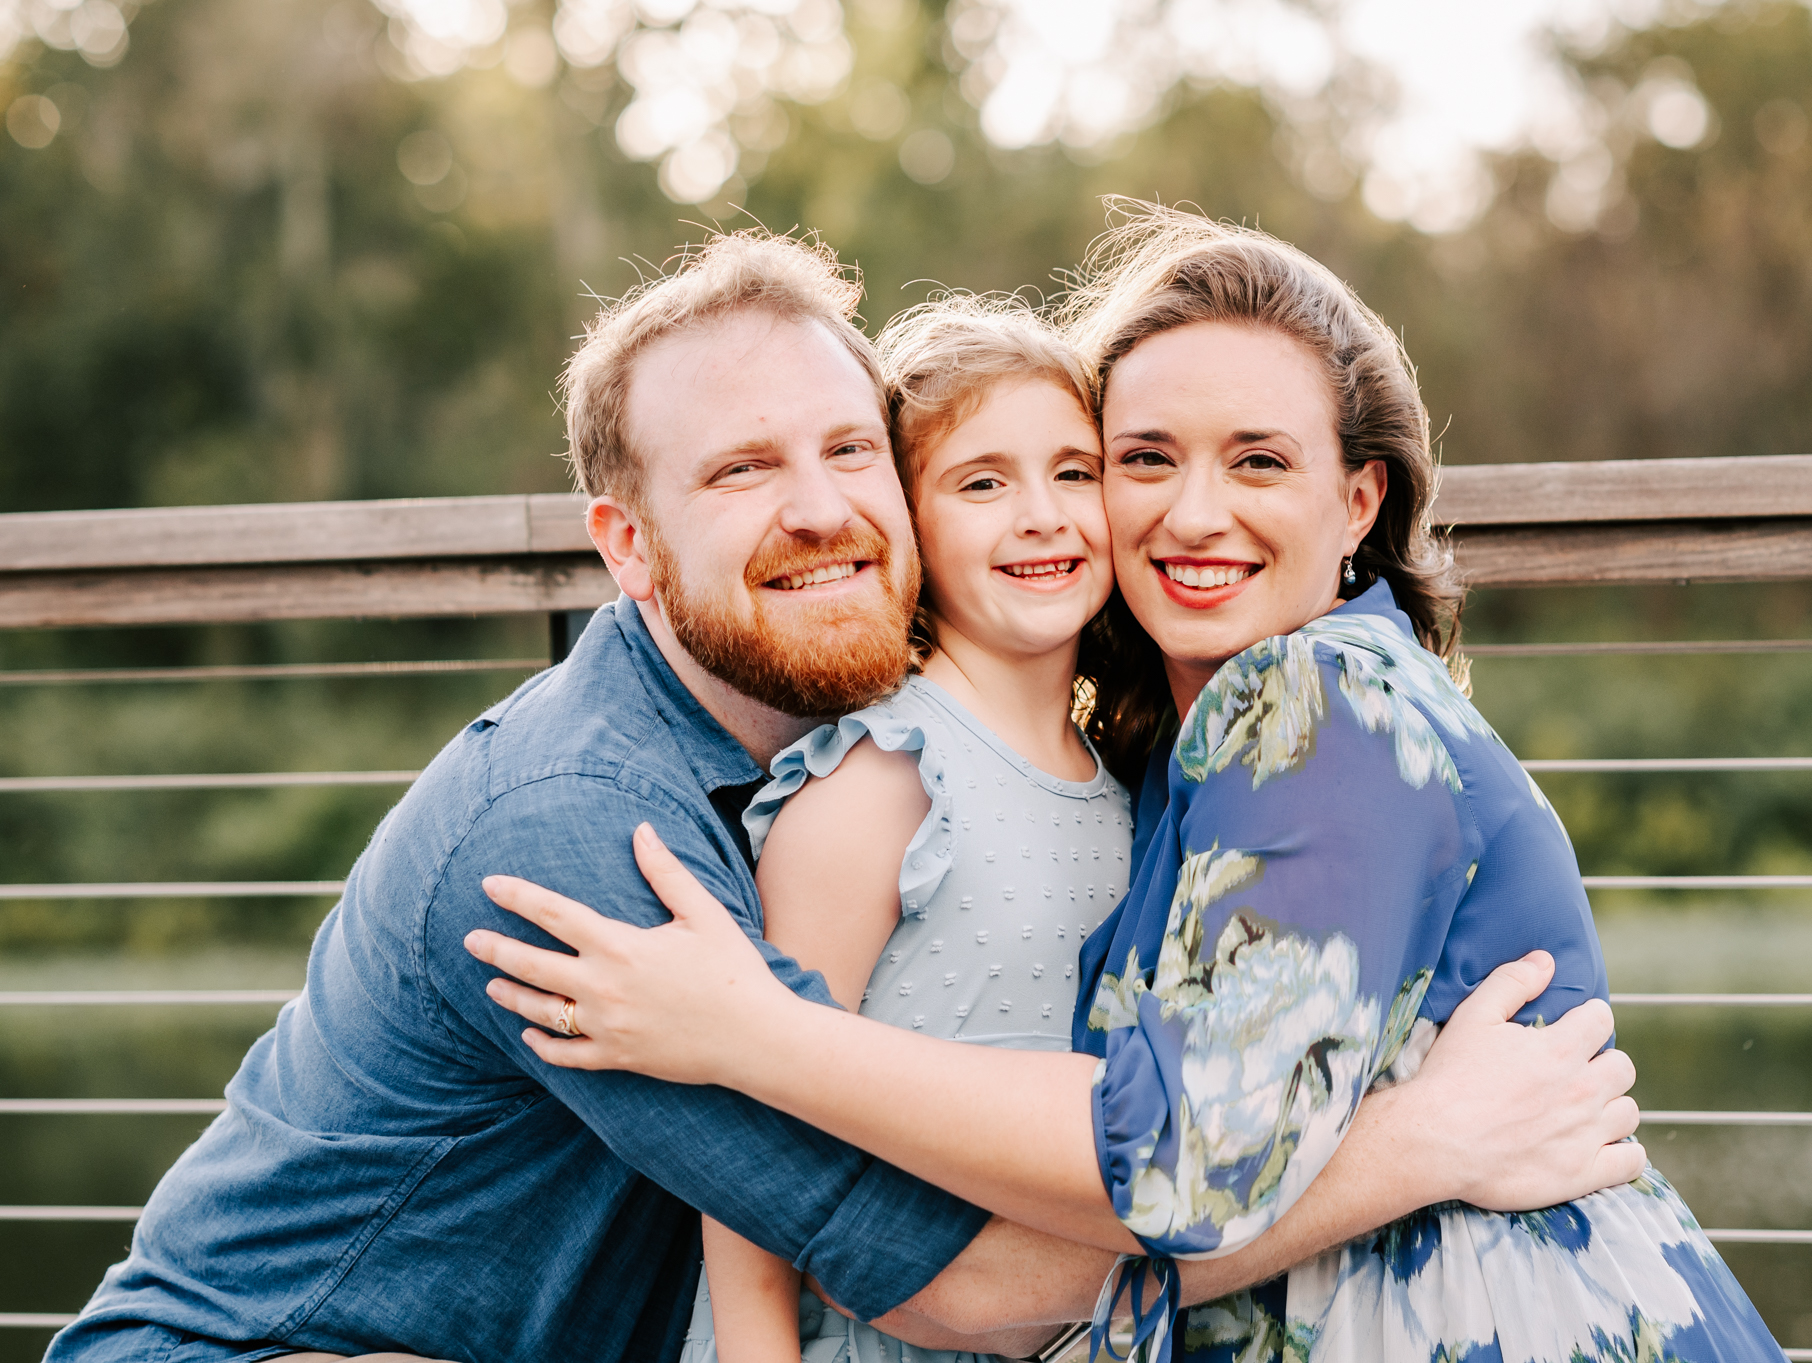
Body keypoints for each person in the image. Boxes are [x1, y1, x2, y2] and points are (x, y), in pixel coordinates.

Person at [47, 228, 1643, 1363]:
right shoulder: (581, 831)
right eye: (742, 472)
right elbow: (949, 1284)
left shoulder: (979, 738)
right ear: (625, 543)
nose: (819, 509)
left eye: (845, 450)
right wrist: (1425, 1142)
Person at [684, 297, 1128, 1363]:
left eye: (1074, 471)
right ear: (907, 519)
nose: (1042, 515)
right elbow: (750, 1119)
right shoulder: (880, 778)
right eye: (982, 482)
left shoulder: (1121, 786)